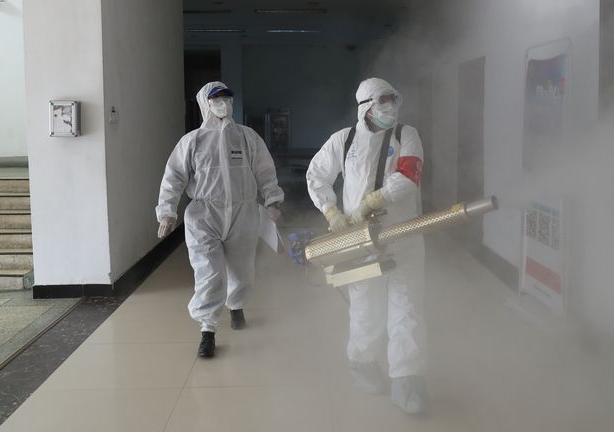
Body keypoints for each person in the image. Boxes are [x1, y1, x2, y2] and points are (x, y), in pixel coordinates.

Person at [306, 78, 428, 414]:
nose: (390, 107)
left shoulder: (407, 135)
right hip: (360, 241)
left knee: (407, 310)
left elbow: (408, 176)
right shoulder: (343, 141)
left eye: (393, 100)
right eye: (382, 101)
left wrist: (376, 198)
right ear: (365, 107)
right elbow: (316, 175)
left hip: (403, 236)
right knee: (366, 309)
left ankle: (407, 380)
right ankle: (362, 364)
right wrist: (331, 210)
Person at [156, 81, 284, 358]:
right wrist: (167, 211)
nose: (223, 103)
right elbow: (174, 177)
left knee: (242, 268)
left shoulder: (247, 137)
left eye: (227, 98)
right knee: (209, 272)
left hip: (243, 213)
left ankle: (236, 307)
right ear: (205, 103)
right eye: (216, 99)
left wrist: (272, 199)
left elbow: (264, 169)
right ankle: (208, 329)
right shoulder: (192, 141)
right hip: (204, 215)